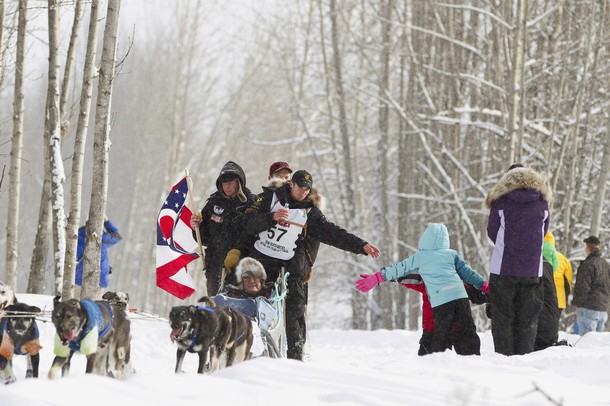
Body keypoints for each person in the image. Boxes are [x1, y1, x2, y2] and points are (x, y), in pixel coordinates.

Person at [242, 169, 380, 360]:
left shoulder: (309, 211)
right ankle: (250, 350)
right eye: (301, 188)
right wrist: (270, 218)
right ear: (291, 184)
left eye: (307, 189)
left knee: (295, 309)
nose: (304, 192)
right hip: (262, 262)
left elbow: (332, 233)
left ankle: (295, 355)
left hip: (289, 268)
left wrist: (361, 245)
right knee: (254, 305)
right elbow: (246, 223)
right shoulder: (268, 198)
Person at [356, 223, 488, 356]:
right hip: (460, 297)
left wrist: (377, 277)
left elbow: (399, 269)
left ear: (425, 239)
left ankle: (439, 359)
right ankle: (472, 359)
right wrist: (484, 285)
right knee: (466, 331)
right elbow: (468, 273)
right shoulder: (452, 255)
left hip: (441, 301)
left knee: (440, 335)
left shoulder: (421, 257)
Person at [485, 164, 551, 356]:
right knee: (528, 318)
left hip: (503, 269)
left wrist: (509, 244)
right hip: (532, 270)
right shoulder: (542, 204)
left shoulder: (501, 202)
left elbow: (492, 232)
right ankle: (524, 357)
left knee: (502, 317)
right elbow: (543, 232)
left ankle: (504, 358)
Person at [190, 161, 257, 296]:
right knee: (216, 306)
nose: (227, 187)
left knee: (237, 308)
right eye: (224, 183)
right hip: (215, 264)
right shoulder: (213, 203)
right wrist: (196, 226)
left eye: (231, 183)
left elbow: (255, 234)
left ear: (239, 182)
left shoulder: (252, 202)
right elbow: (204, 238)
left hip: (241, 265)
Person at [572, 236, 610, 336]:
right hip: (602, 308)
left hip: (588, 307)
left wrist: (579, 303)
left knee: (586, 341)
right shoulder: (605, 264)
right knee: (596, 344)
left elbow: (583, 286)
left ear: (588, 248)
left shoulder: (588, 264)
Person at [75, 218, 122, 289]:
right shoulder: (102, 237)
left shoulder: (76, 237)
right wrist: (106, 222)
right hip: (99, 280)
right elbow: (117, 237)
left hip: (79, 279)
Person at [544, 231, 573, 315]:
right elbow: (568, 282)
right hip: (558, 300)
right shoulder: (562, 259)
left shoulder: (534, 255)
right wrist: (566, 297)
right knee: (552, 325)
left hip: (538, 298)